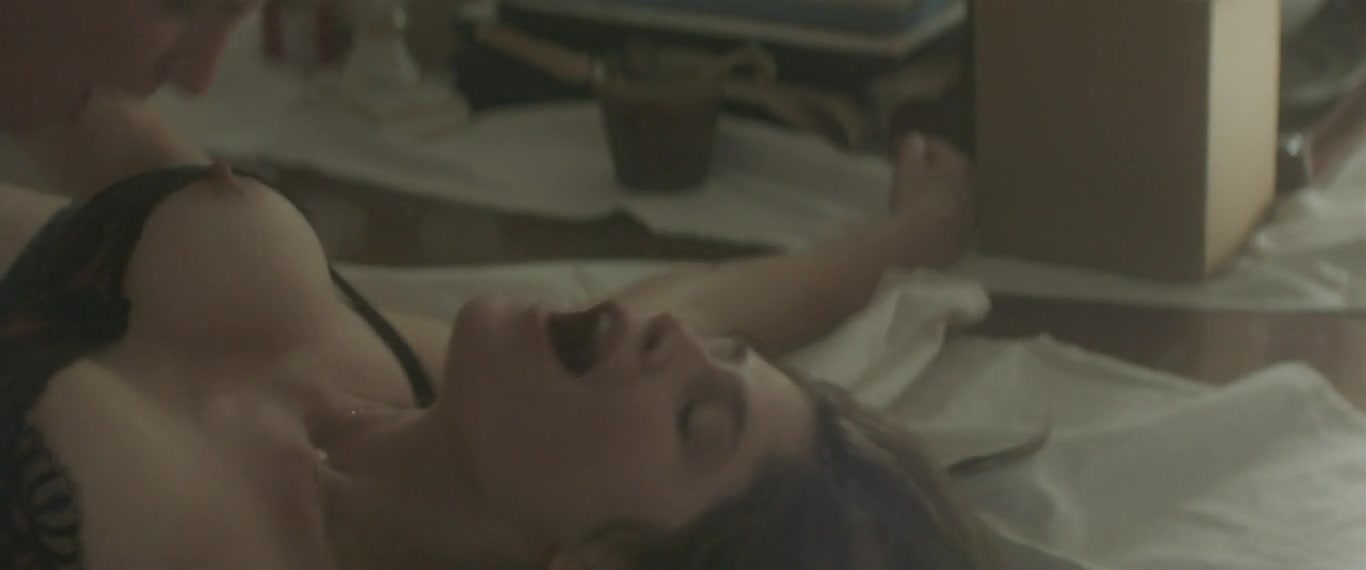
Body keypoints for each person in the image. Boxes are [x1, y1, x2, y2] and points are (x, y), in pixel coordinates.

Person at [0, 2, 1012, 569]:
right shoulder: (422, 389)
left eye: (696, 417)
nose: (677, 344)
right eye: (728, 362)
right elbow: (703, 301)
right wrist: (910, 237)